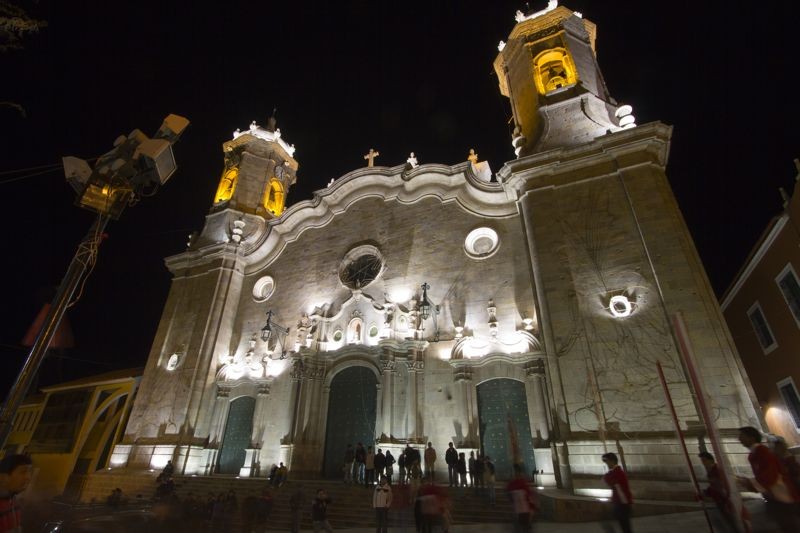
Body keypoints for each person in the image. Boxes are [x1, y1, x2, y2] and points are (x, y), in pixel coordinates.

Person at [737, 426, 800, 532]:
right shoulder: (753, 454)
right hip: (774, 496)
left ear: (752, 438)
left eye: (742, 436)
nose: (739, 439)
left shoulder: (762, 451)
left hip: (783, 494)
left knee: (790, 525)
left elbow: (770, 475)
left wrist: (750, 483)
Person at [698, 452, 739, 533]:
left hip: (723, 499)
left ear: (710, 460)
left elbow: (719, 484)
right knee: (726, 520)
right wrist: (706, 492)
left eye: (704, 460)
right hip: (718, 499)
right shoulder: (711, 470)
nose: (703, 463)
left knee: (730, 520)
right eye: (702, 461)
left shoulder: (716, 469)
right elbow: (713, 485)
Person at [601, 452, 633, 533]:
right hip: (619, 503)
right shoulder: (615, 472)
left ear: (612, 461)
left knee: (625, 527)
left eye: (607, 461)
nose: (606, 464)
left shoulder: (618, 472)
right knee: (623, 526)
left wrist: (607, 476)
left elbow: (609, 480)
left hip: (623, 504)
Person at [0, 455, 32, 533]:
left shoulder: (13, 501)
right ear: (4, 477)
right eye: (23, 472)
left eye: (29, 472)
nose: (28, 477)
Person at [507, 465, 537, 533]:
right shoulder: (520, 483)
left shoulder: (515, 484)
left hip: (521, 509)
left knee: (522, 526)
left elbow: (528, 494)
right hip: (522, 509)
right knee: (524, 526)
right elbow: (529, 494)